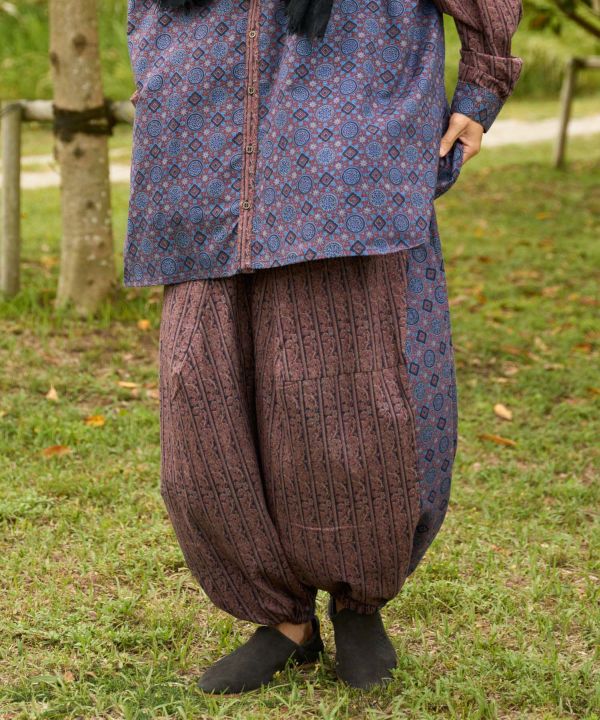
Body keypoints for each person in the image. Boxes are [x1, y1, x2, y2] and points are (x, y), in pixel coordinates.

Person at [124, 0, 523, 693]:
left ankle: (357, 604)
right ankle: (283, 621)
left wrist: (482, 84)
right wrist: (157, 71)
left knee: (349, 390)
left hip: (349, 125)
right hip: (201, 129)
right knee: (205, 395)